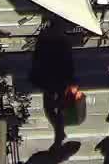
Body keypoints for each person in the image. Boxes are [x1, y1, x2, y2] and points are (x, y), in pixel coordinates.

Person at [29, 19, 77, 149]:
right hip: (59, 77)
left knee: (49, 108)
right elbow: (69, 61)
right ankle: (59, 133)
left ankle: (59, 133)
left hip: (48, 77)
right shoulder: (63, 39)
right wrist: (71, 79)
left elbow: (37, 57)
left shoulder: (45, 37)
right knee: (58, 108)